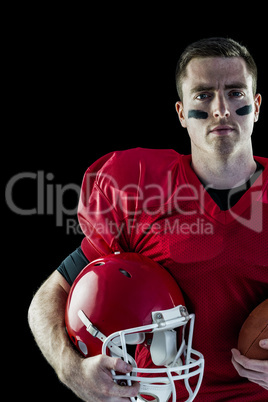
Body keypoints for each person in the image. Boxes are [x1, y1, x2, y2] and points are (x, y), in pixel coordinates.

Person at [28, 37, 268, 401]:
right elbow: (52, 293)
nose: (222, 108)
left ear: (256, 105)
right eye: (203, 95)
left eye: (236, 93)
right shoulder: (139, 187)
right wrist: (70, 368)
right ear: (181, 113)